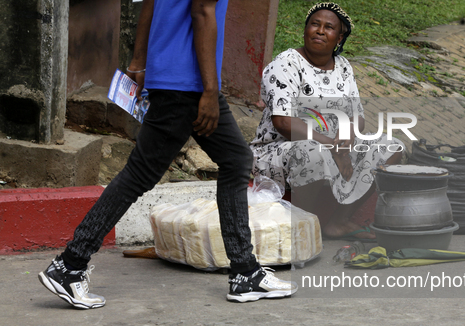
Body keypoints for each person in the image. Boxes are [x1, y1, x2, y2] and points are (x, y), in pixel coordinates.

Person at [38, 0, 297, 309]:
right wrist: (211, 92)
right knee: (141, 174)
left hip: (175, 78)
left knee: (235, 160)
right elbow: (202, 10)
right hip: (188, 84)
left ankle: (245, 271)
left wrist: (138, 62)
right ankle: (70, 264)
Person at [250, 2, 405, 242]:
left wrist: (347, 137)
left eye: (329, 27)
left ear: (339, 37)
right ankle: (304, 228)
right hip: (280, 151)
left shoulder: (343, 67)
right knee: (313, 152)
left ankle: (339, 221)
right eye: (315, 24)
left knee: (390, 146)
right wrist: (332, 146)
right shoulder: (286, 64)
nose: (320, 31)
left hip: (332, 147)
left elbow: (358, 116)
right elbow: (283, 122)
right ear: (305, 30)